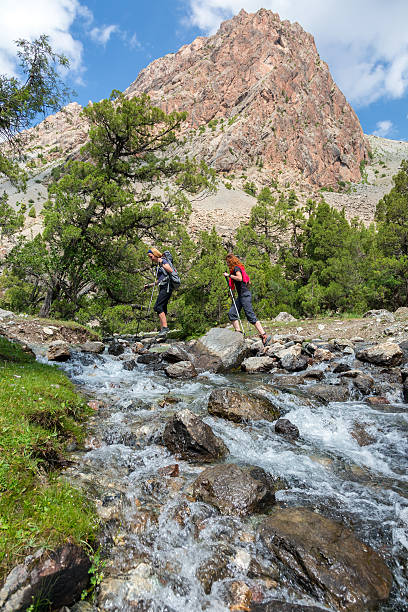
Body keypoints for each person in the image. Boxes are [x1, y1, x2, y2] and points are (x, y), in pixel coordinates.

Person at [224, 253, 271, 346]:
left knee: (250, 315)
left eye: (228, 262)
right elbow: (247, 281)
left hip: (245, 296)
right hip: (241, 296)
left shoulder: (236, 268)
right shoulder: (238, 269)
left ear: (231, 262)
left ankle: (264, 335)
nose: (227, 264)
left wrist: (229, 275)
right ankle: (238, 333)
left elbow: (240, 278)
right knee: (232, 313)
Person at [145, 248, 173, 338]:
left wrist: (161, 263)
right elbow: (160, 280)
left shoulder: (163, 261)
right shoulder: (158, 265)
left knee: (157, 307)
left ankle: (165, 328)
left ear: (155, 254)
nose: (151, 259)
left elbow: (170, 270)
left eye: (151, 256)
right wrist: (149, 285)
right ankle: (162, 332)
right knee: (162, 308)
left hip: (167, 287)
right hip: (163, 287)